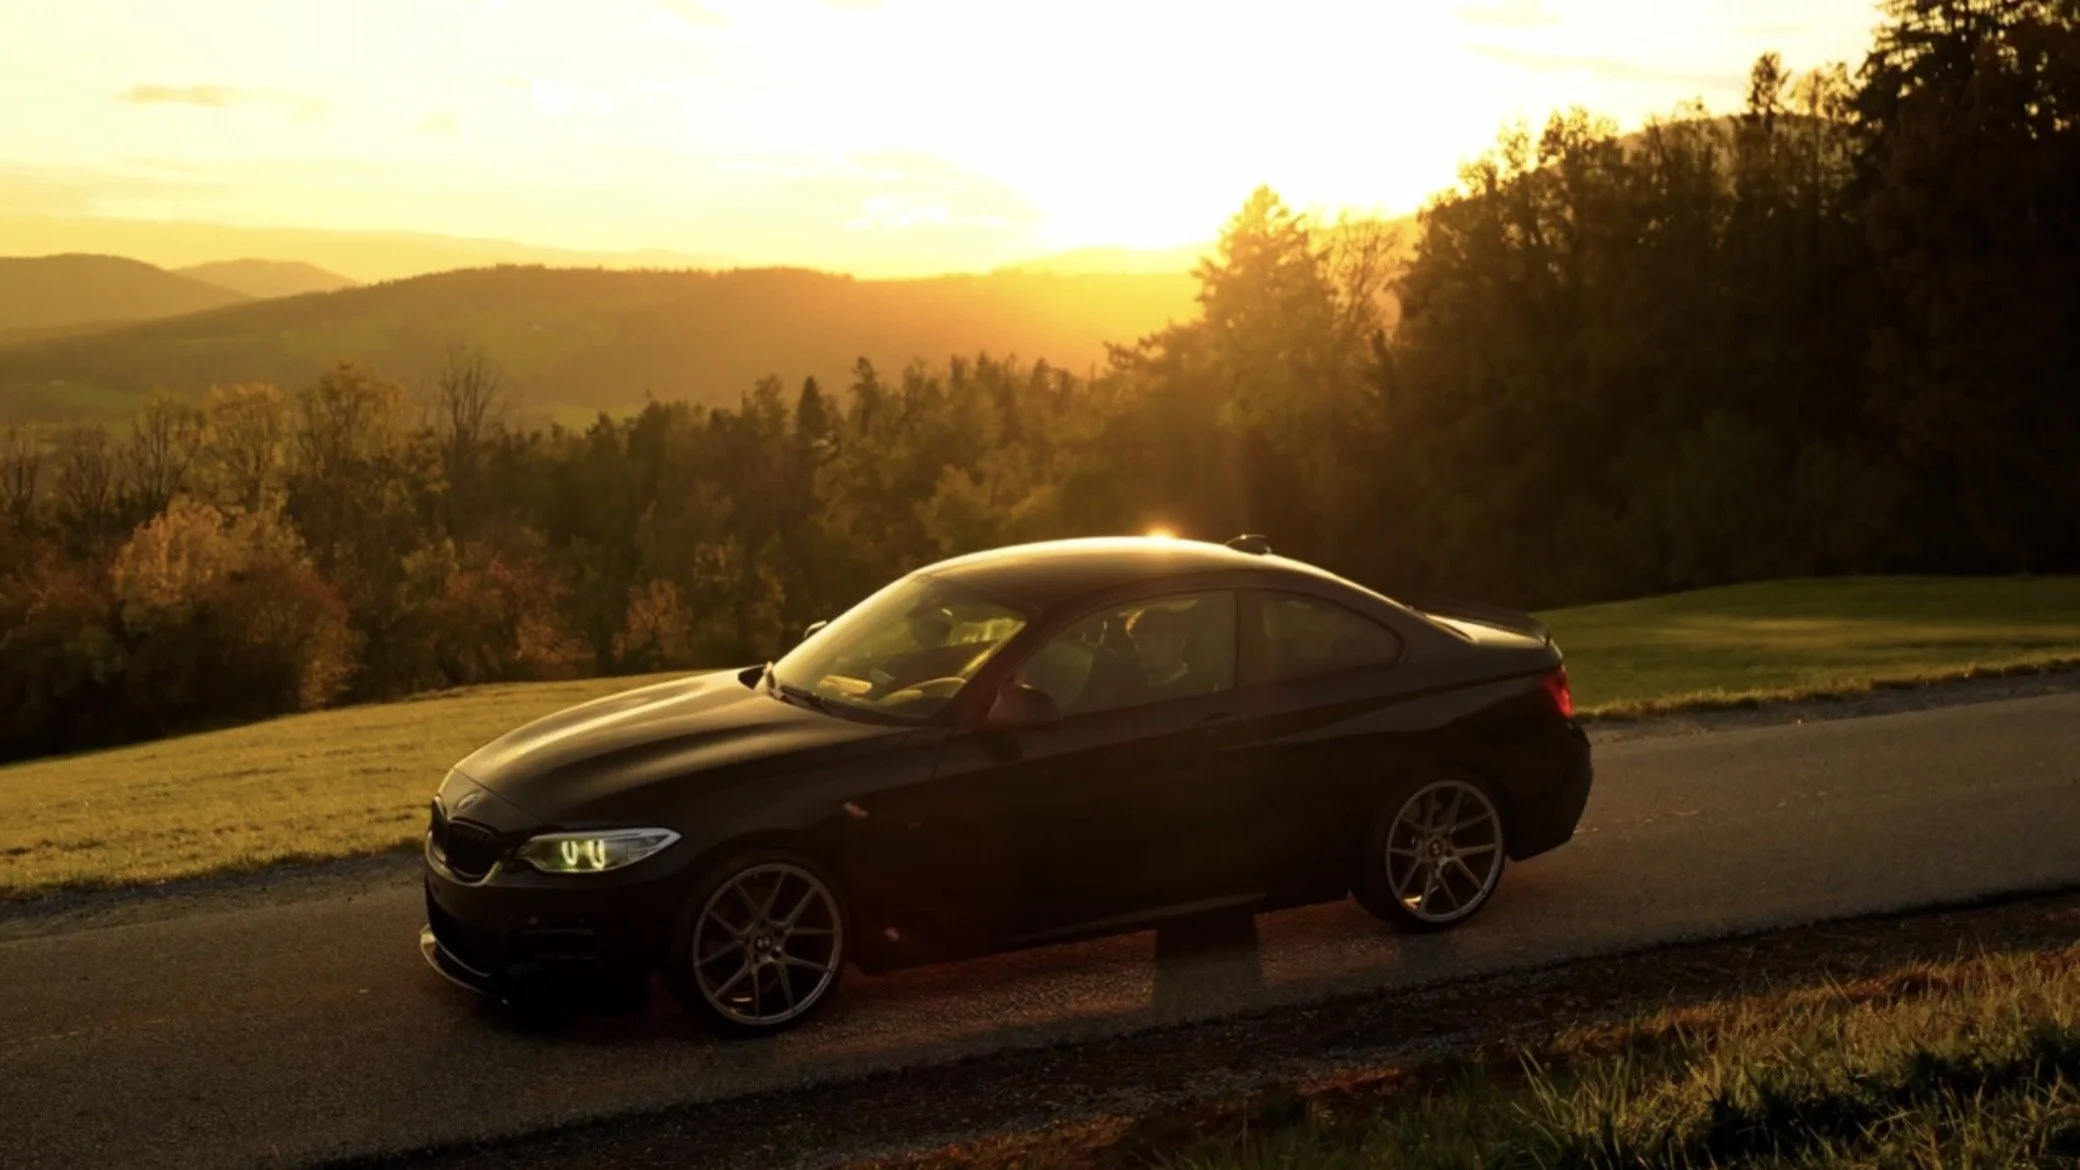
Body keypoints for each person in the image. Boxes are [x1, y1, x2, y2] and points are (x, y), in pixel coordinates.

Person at [1122, 604, 1212, 702]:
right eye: (1141, 641)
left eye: (1159, 639)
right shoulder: (1130, 694)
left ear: (1180, 642)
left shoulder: (1198, 691)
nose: (1148, 648)